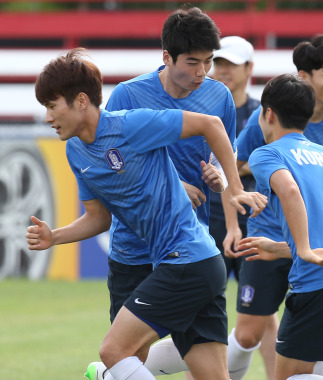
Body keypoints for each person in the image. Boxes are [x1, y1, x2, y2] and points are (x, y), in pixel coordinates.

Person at [27, 48, 266, 380]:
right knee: (211, 374)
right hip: (197, 263)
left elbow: (211, 124)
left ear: (81, 101)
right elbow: (99, 217)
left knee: (114, 352)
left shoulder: (130, 124)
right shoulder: (75, 151)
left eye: (53, 107)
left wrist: (234, 186)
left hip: (186, 261)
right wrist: (55, 237)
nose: (49, 117)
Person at [224, 34, 323, 380]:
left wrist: (304, 249)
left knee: (289, 374)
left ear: (267, 114)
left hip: (319, 276)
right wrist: (285, 247)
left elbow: (290, 192)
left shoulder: (269, 152)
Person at [208, 35, 278, 380]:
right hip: (209, 220)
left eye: (230, 65)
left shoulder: (262, 114)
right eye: (218, 63)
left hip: (259, 221)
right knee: (206, 306)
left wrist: (235, 166)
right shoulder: (203, 109)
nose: (222, 71)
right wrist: (241, 164)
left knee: (262, 314)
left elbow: (266, 163)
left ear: (249, 69)